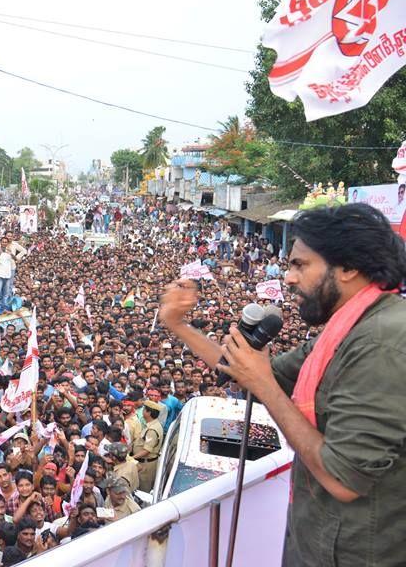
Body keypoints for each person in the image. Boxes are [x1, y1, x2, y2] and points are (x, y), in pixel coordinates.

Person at [159, 203, 406, 566]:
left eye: (300, 265)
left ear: (350, 267)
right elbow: (250, 373)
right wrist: (179, 325)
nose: (288, 278)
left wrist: (265, 385)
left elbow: (343, 478)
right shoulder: (346, 331)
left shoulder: (382, 343)